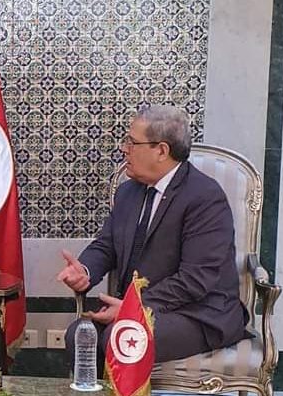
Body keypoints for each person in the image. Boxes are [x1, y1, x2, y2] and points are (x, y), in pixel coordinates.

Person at [58, 105, 248, 371]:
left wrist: (133, 308)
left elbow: (196, 278)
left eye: (132, 143)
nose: (124, 149)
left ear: (161, 151)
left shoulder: (205, 197)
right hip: (141, 308)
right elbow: (107, 245)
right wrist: (85, 271)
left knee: (121, 337)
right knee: (79, 335)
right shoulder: (128, 192)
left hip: (198, 314)